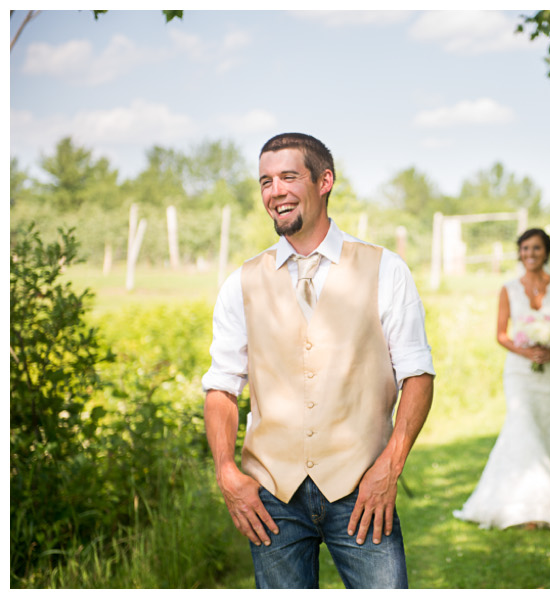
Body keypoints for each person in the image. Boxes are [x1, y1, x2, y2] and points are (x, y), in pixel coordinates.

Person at [201, 133, 435, 588]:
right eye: (265, 181)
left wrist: (390, 467)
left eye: (289, 177)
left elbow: (418, 376)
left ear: (325, 180)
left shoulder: (386, 269)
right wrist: (227, 472)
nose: (275, 191)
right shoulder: (241, 283)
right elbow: (221, 387)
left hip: (362, 488)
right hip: (272, 495)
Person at [453, 228, 550, 529]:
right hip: (519, 372)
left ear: (546, 252)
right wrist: (526, 353)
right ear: (519, 253)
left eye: (535, 249)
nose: (529, 254)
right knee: (522, 426)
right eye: (524, 249)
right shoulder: (508, 288)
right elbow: (501, 335)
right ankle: (530, 507)